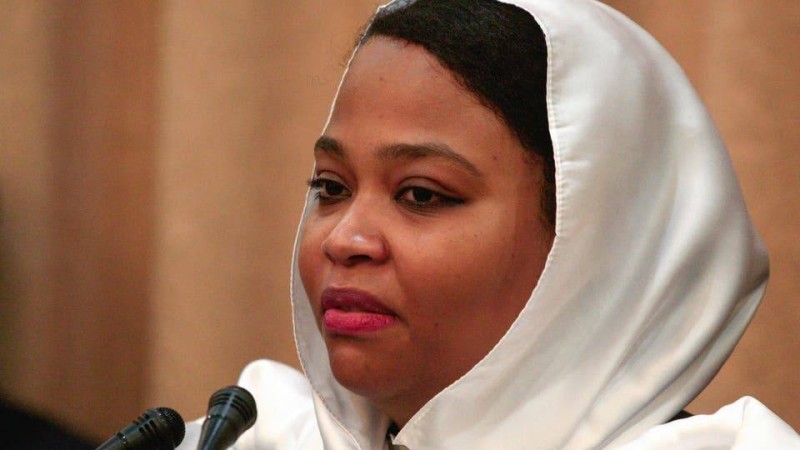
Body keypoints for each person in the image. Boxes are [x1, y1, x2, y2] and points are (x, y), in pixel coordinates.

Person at [179, 0, 800, 448]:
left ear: (594, 249)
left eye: (421, 194)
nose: (344, 240)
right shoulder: (249, 436)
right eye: (331, 187)